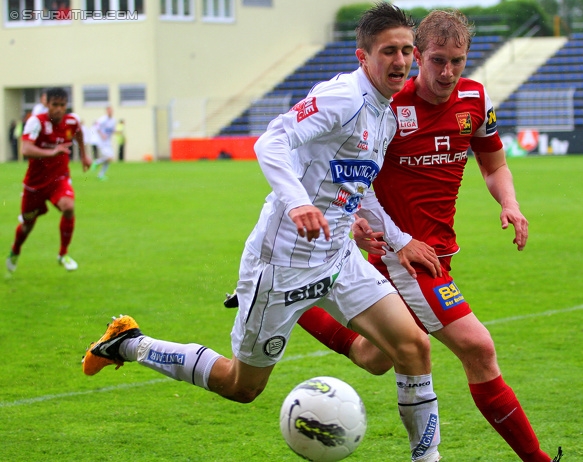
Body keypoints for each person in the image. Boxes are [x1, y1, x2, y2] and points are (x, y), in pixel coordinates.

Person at [82, 4, 445, 461]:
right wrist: (297, 203)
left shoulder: (385, 115)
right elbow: (271, 140)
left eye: (407, 51)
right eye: (389, 51)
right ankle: (130, 343)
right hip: (283, 262)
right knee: (242, 385)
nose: (401, 61)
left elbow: (360, 189)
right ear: (362, 56)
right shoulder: (343, 99)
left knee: (410, 347)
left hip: (336, 257)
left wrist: (397, 239)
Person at [225, 9, 562, 462]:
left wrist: (510, 203)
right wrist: (365, 227)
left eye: (457, 62)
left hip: (439, 251)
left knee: (376, 357)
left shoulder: (477, 99)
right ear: (418, 56)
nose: (447, 72)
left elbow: (494, 162)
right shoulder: (387, 100)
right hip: (402, 255)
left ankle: (296, 301)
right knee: (477, 348)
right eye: (436, 60)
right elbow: (340, 164)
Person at [6, 87, 92, 273]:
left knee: (68, 207)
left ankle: (63, 254)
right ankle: (15, 250)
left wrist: (84, 156)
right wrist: (51, 151)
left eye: (62, 105)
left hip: (59, 179)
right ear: (47, 104)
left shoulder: (72, 120)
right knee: (27, 226)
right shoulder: (35, 122)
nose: (59, 109)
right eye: (55, 105)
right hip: (35, 185)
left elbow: (79, 134)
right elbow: (26, 149)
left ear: (66, 105)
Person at [90, 106, 116, 179]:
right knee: (109, 157)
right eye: (109, 110)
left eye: (111, 110)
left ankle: (101, 175)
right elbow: (97, 128)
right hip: (102, 142)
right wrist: (102, 135)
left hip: (108, 142)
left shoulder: (113, 120)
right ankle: (96, 162)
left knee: (108, 160)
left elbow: (112, 130)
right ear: (106, 111)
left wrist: (117, 132)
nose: (110, 112)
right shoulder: (102, 119)